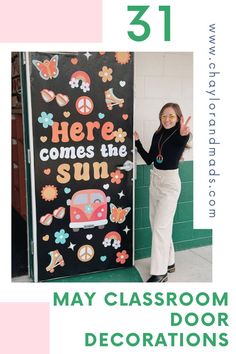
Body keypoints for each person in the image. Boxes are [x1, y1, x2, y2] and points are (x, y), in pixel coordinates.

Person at [134, 103, 191, 282]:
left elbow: (183, 139)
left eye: (171, 116)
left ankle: (160, 272)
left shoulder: (180, 134)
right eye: (164, 115)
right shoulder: (157, 134)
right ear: (160, 117)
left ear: (178, 118)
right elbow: (150, 158)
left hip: (170, 183)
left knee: (160, 227)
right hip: (155, 180)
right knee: (158, 225)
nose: (167, 119)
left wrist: (185, 134)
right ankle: (170, 261)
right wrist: (137, 142)